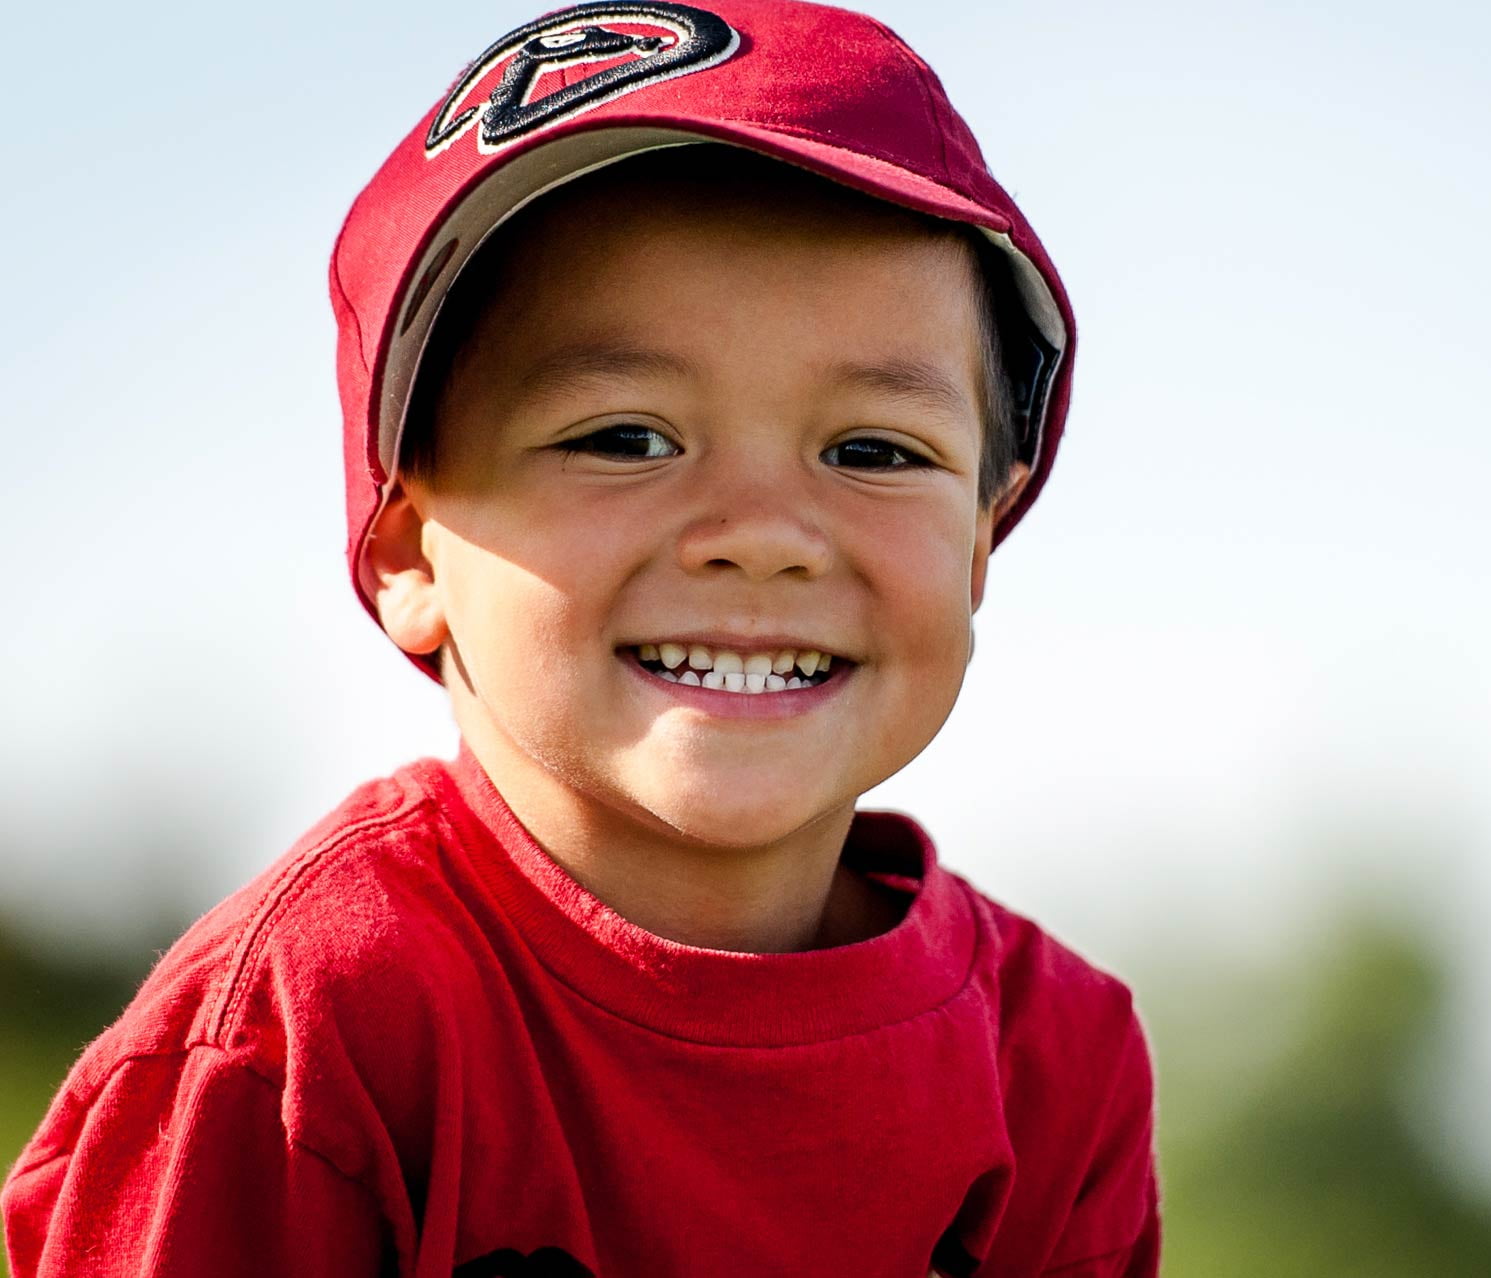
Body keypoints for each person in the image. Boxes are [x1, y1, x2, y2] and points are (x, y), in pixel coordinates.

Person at [0, 2, 1160, 1274]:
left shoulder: (1055, 1059)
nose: (763, 535)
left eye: (873, 452)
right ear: (405, 550)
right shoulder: (300, 1038)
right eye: (625, 436)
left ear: (984, 544)